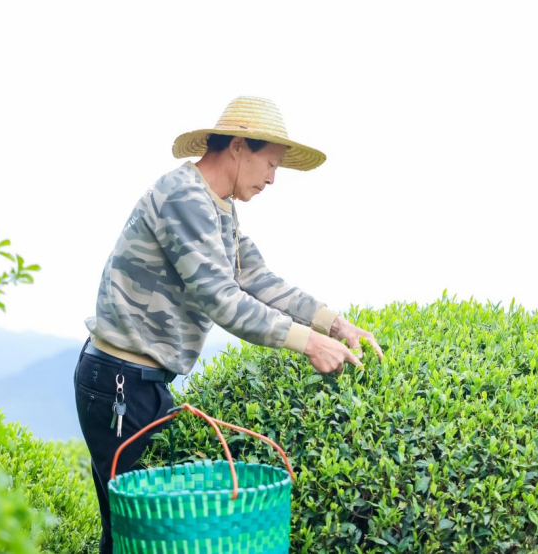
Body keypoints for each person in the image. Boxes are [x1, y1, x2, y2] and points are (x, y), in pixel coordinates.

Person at [73, 96, 383, 553]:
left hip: (141, 382)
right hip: (120, 382)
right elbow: (222, 299)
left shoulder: (219, 208)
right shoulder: (183, 197)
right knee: (137, 535)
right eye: (270, 163)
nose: (273, 178)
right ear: (238, 147)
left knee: (144, 534)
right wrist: (309, 344)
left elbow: (256, 278)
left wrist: (335, 326)